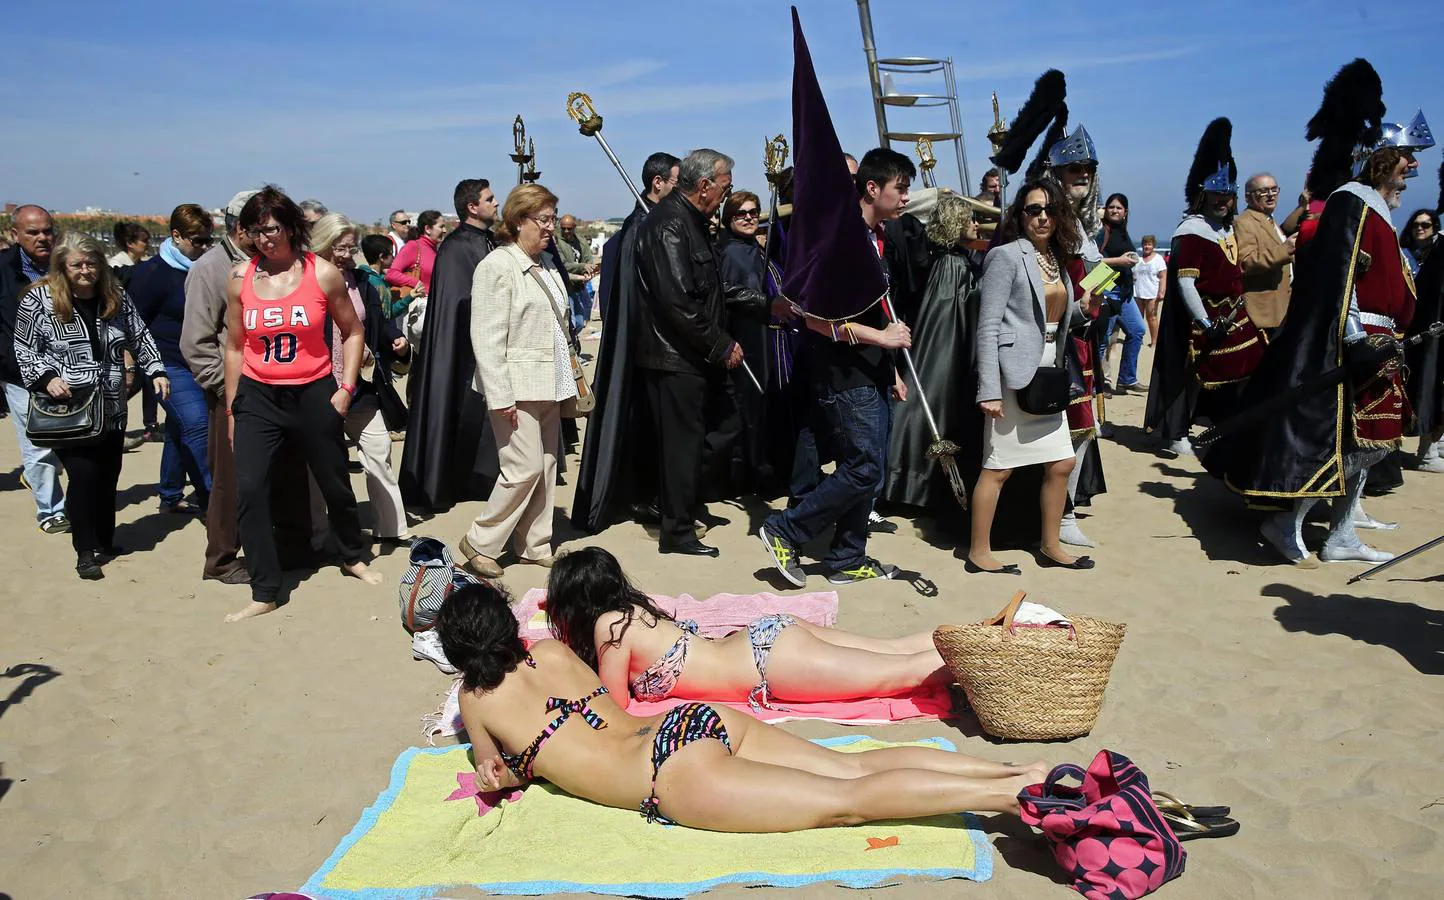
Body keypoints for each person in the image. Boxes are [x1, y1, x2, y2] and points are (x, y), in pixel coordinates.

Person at [436, 579, 1045, 831]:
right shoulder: (551, 652)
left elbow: (496, 773)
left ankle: (1009, 796)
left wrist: (508, 769)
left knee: (847, 803)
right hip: (692, 722)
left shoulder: (475, 696)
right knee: (853, 768)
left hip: (667, 776)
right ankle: (1015, 775)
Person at [1202, 62, 1430, 564]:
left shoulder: (1376, 205)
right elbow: (1337, 279)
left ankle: (1343, 530)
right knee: (1358, 439)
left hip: (1382, 338)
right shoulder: (1353, 203)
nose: (1413, 166)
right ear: (1384, 158)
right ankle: (1289, 517)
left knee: (1376, 439)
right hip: (1356, 341)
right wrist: (1352, 338)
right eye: (1407, 157)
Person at [222, 187, 382, 623]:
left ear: (291, 228)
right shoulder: (240, 278)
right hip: (258, 395)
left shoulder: (323, 273)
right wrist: (233, 407)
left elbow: (352, 331)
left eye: (272, 229)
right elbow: (235, 347)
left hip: (313, 391)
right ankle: (265, 589)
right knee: (251, 489)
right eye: (256, 231)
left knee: (333, 480)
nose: (265, 238)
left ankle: (352, 555)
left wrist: (345, 388)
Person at [758, 148, 914, 587]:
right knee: (861, 467)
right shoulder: (839, 241)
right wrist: (881, 339)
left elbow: (873, 310)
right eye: (900, 189)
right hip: (844, 374)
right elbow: (813, 318)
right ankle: (785, 529)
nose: (906, 198)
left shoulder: (872, 237)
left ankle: (847, 556)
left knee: (871, 468)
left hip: (873, 370)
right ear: (872, 188)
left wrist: (892, 368)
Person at [546, 547, 947, 709]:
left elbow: (613, 705)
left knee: (898, 675)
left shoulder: (609, 627)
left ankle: (993, 658)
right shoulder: (631, 610)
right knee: (892, 651)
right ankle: (990, 633)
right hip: (767, 639)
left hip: (768, 663)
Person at [13, 234, 168, 579]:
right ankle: (85, 551)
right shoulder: (39, 300)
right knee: (83, 476)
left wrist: (155, 370)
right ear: (62, 268)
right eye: (77, 265)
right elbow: (24, 349)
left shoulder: (114, 297)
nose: (86, 271)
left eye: (92, 263)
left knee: (107, 473)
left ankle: (104, 539)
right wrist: (46, 376)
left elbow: (140, 335)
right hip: (68, 407)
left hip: (112, 403)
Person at [967, 179, 1091, 574]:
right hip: (1012, 374)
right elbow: (987, 326)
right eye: (1034, 210)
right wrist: (988, 389)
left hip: (1049, 369)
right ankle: (978, 551)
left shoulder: (1055, 258)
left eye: (1050, 209)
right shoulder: (1005, 256)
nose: (1042, 217)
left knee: (1061, 463)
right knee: (999, 465)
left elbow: (1055, 318)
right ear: (1020, 215)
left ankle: (1051, 544)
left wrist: (1085, 309)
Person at [454, 184, 576, 578]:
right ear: (518, 220)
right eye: (543, 220)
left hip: (550, 382)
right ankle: (480, 540)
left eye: (553, 219)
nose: (550, 228)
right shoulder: (497, 266)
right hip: (516, 386)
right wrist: (499, 394)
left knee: (545, 464)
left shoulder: (547, 265)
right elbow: (486, 338)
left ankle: (534, 543)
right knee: (522, 468)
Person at [633, 149, 746, 558]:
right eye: (724, 187)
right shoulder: (668, 225)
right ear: (704, 186)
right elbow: (677, 300)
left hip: (697, 356)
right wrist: (720, 344)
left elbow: (710, 288)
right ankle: (676, 528)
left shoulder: (693, 223)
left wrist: (765, 304)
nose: (725, 194)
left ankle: (678, 500)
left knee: (724, 428)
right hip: (675, 357)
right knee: (683, 445)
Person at [571, 152, 679, 534]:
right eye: (676, 183)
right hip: (642, 349)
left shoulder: (656, 223)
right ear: (658, 183)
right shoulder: (641, 228)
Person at [1145, 118, 1261, 458]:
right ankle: (1175, 432)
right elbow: (1186, 283)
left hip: (1233, 315)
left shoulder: (1227, 229)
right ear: (1203, 194)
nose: (1222, 199)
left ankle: (1225, 427)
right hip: (1200, 319)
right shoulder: (1191, 231)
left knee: (1244, 369)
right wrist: (1205, 323)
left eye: (1227, 194)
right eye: (1216, 193)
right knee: (1190, 376)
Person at [308, 214, 411, 546]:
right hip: (319, 385)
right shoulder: (305, 281)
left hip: (360, 384)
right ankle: (318, 533)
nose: (348, 254)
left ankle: (391, 528)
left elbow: (378, 321)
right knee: (319, 465)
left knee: (379, 449)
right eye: (341, 247)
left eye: (351, 247)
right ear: (323, 245)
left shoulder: (361, 281)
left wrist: (396, 340)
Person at [399, 179, 500, 511]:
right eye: (490, 198)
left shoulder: (487, 241)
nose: (496, 203)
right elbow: (460, 301)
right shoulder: (457, 246)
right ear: (473, 207)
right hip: (461, 349)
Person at [883, 192, 984, 511]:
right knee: (927, 406)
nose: (976, 224)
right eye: (970, 219)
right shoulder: (951, 264)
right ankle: (905, 483)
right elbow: (946, 314)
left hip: (950, 344)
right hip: (944, 347)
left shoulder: (953, 259)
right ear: (956, 224)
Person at [128, 203, 215, 515]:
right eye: (198, 241)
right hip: (167, 364)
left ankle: (169, 495)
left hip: (201, 363)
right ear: (177, 236)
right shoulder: (153, 273)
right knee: (196, 424)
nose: (205, 247)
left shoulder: (205, 271)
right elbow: (133, 322)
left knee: (179, 428)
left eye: (209, 240)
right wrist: (135, 365)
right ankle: (214, 499)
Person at [1, 205, 68, 533]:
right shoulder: (3, 270)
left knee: (70, 439)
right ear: (15, 235)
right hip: (19, 374)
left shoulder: (68, 265)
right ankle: (51, 510)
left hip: (70, 371)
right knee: (38, 443)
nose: (42, 238)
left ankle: (69, 497)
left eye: (47, 231)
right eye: (33, 232)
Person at [1096, 193, 1145, 393]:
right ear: (1105, 210)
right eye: (1112, 207)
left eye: (1119, 208)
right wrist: (1119, 261)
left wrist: (1131, 260)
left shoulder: (1123, 232)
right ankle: (1096, 383)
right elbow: (1091, 259)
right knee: (1103, 339)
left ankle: (1126, 378)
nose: (1115, 211)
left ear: (1126, 212)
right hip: (1108, 290)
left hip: (1125, 293)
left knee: (1138, 330)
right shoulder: (1101, 231)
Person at [1236, 173, 1296, 333]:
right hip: (1263, 315)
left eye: (1274, 190)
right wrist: (1286, 250)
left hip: (1282, 310)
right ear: (1248, 197)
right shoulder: (1245, 223)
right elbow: (1245, 263)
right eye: (1263, 191)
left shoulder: (1269, 220)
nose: (1270, 195)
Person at [554, 214, 597, 342]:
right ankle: (571, 344)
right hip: (566, 287)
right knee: (572, 322)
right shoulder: (557, 243)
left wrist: (589, 271)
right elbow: (564, 265)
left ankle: (573, 340)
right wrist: (583, 266)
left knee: (580, 320)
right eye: (564, 228)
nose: (566, 231)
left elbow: (588, 259)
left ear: (574, 227)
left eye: (569, 228)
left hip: (579, 286)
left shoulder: (581, 241)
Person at [385, 210, 444, 300]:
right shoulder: (413, 246)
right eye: (441, 227)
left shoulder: (436, 250)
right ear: (427, 229)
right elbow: (391, 274)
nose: (445, 230)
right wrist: (416, 283)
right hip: (420, 305)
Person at [1134, 234, 1168, 347]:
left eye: (1149, 244)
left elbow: (1163, 276)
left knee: (1152, 318)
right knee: (1138, 318)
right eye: (1145, 244)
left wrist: (1162, 291)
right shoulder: (1138, 259)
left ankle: (1154, 342)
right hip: (1138, 293)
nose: (1147, 246)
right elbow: (1133, 275)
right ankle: (1139, 340)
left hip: (1152, 293)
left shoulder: (1158, 259)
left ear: (1153, 246)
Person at [357, 234, 398, 320]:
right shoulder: (376, 283)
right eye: (391, 253)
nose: (393, 257)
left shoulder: (364, 277)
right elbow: (386, 316)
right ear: (382, 257)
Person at [1400, 209, 1439, 273]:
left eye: (1425, 225)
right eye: (1415, 225)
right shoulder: (1401, 254)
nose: (1419, 228)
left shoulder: (1439, 258)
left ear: (1434, 229)